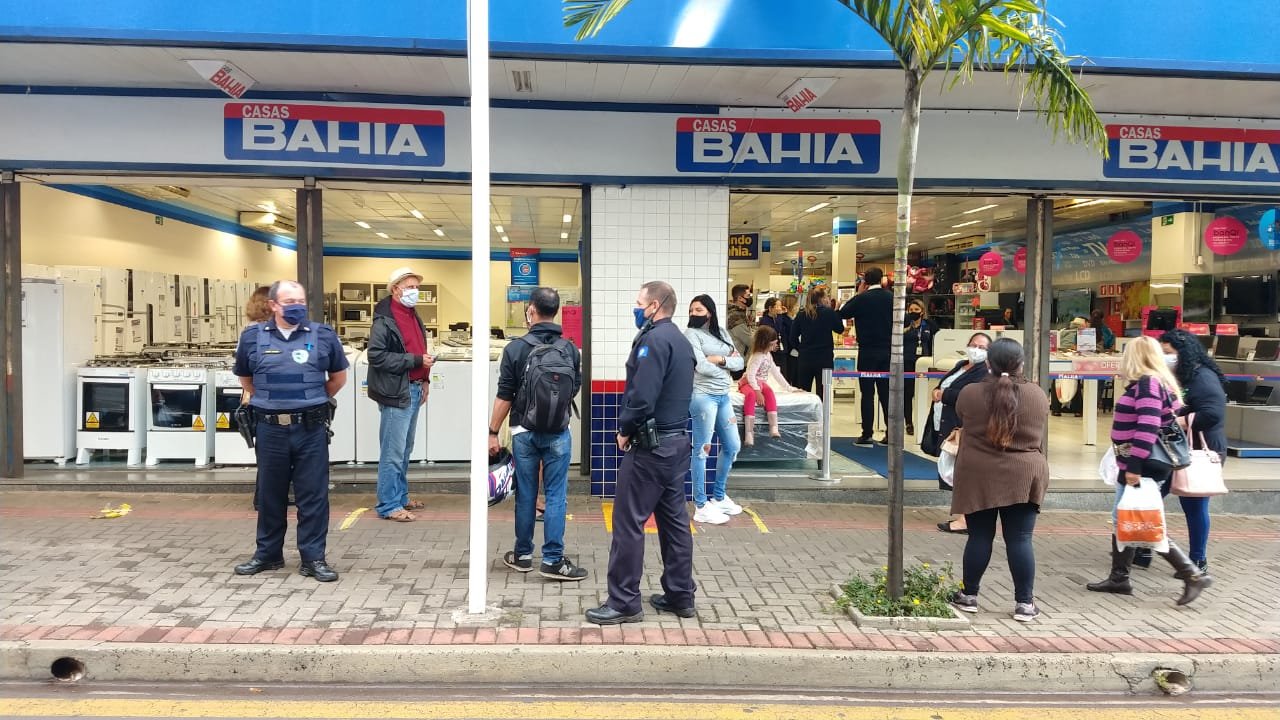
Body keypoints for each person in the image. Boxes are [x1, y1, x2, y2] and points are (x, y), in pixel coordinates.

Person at [586, 281, 697, 625]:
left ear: (655, 305)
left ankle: (623, 602)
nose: (636, 309)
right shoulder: (681, 340)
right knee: (675, 521)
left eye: (638, 303)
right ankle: (681, 596)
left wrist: (624, 429)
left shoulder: (653, 341)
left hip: (652, 447)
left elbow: (642, 396)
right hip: (678, 443)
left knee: (628, 522)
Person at [232, 280, 348, 583]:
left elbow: (338, 377)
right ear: (273, 305)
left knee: (313, 495)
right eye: (289, 301)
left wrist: (310, 399)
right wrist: (273, 401)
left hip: (310, 427)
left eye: (300, 300)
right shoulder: (252, 337)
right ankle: (268, 554)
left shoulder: (323, 335)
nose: (296, 306)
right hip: (270, 429)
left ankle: (313, 558)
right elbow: (246, 379)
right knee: (270, 494)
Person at [1085, 336, 1214, 606]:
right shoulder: (1155, 383)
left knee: (1141, 520)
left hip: (1140, 463)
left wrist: (1133, 466)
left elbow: (1147, 426)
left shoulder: (1148, 384)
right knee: (1128, 517)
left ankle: (1190, 573)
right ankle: (1120, 577)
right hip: (1141, 462)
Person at [487, 287, 587, 581]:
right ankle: (553, 560)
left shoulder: (515, 349)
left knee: (527, 493)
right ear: (555, 311)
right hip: (558, 432)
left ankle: (523, 554)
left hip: (523, 432)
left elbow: (504, 395)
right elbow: (574, 387)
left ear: (531, 310)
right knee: (556, 495)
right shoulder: (569, 349)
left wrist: (492, 432)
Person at [947, 338, 1050, 622]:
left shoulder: (969, 393)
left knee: (980, 536)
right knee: (1020, 539)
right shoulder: (1038, 395)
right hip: (1024, 474)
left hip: (979, 474)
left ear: (988, 363)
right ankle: (1025, 604)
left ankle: (969, 595)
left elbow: (962, 417)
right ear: (1021, 363)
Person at [367, 267, 435, 522]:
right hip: (397, 391)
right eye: (410, 287)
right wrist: (415, 360)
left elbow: (420, 348)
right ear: (395, 289)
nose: (415, 292)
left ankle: (400, 496)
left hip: (414, 388)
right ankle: (388, 505)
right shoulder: (385, 319)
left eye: (417, 287)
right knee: (392, 452)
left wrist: (425, 379)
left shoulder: (412, 314)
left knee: (405, 449)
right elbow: (376, 356)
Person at [1159, 329, 1227, 572]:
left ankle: (1197, 560)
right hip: (1174, 449)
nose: (1166, 358)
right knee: (1151, 498)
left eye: (1169, 353)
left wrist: (1180, 421)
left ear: (1183, 352)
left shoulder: (1203, 377)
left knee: (1194, 505)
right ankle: (1143, 549)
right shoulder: (1180, 375)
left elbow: (1213, 414)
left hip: (1199, 451)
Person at [684, 294, 744, 525]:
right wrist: (726, 364)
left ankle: (718, 497)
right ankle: (700, 505)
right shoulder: (691, 334)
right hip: (703, 397)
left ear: (709, 312)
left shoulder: (722, 332)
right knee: (702, 450)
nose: (693, 314)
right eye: (691, 310)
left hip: (723, 397)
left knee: (732, 445)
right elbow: (700, 366)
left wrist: (719, 359)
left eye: (698, 310)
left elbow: (740, 362)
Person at [931, 332, 991, 535]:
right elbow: (947, 383)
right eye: (973, 345)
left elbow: (971, 394)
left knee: (964, 472)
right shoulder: (961, 365)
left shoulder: (986, 372)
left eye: (982, 347)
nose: (976, 349)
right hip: (947, 421)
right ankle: (964, 515)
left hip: (964, 426)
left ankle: (966, 518)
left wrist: (944, 394)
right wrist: (938, 390)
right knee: (954, 469)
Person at [839, 268, 893, 446]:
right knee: (886, 393)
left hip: (867, 351)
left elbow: (843, 312)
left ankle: (867, 433)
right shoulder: (891, 297)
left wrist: (858, 294)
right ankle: (891, 433)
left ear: (865, 282)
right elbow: (906, 320)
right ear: (882, 279)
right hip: (888, 351)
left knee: (867, 394)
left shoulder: (862, 299)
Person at [740, 325, 796, 445]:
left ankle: (774, 427)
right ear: (766, 343)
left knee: (770, 393)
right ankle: (749, 433)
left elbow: (776, 373)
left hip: (760, 383)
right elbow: (750, 376)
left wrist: (789, 388)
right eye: (773, 343)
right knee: (750, 396)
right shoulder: (757, 357)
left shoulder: (768, 356)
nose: (775, 346)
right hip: (749, 382)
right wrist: (757, 392)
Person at [789, 286, 844, 402]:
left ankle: (805, 417)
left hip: (805, 358)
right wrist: (837, 310)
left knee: (803, 392)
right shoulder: (829, 313)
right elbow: (840, 329)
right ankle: (822, 418)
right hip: (824, 358)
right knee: (823, 392)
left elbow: (792, 338)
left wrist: (801, 349)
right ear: (822, 298)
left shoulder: (802, 314)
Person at [902, 298, 937, 437]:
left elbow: (937, 340)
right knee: (907, 394)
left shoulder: (930, 325)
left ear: (922, 311)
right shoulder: (905, 325)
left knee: (922, 394)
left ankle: (922, 421)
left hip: (924, 364)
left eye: (916, 310)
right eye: (911, 310)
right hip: (907, 363)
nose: (913, 312)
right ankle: (909, 422)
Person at [759, 297, 791, 376]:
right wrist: (780, 316)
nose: (780, 308)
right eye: (778, 306)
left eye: (781, 306)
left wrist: (785, 315)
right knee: (774, 375)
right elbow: (777, 330)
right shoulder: (765, 320)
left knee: (783, 375)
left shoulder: (780, 317)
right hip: (772, 352)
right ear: (770, 308)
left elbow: (790, 327)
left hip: (782, 351)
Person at [726, 283, 756, 360]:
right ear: (740, 298)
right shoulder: (735, 315)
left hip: (740, 357)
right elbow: (749, 340)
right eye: (748, 296)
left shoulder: (740, 312)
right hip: (738, 359)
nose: (750, 298)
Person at [779, 294, 800, 384]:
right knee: (788, 378)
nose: (798, 307)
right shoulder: (783, 320)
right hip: (788, 353)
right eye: (796, 305)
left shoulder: (796, 318)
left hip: (796, 353)